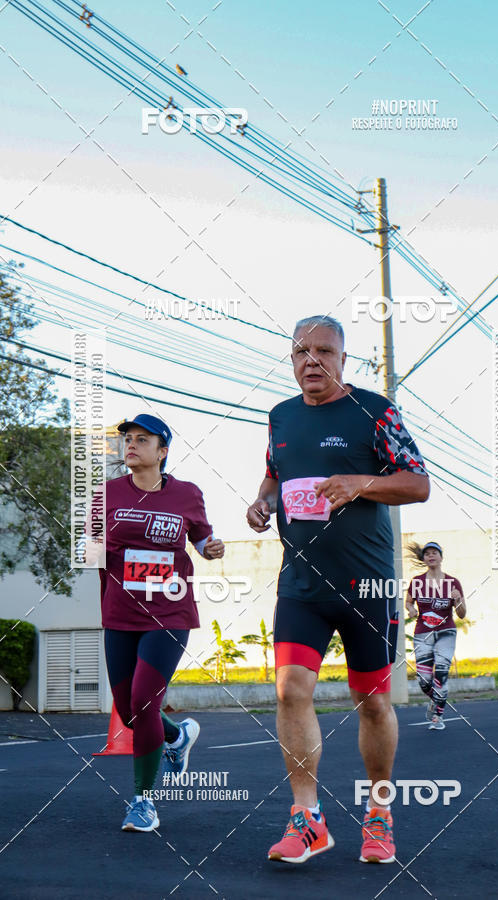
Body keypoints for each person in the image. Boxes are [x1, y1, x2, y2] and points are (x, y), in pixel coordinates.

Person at [246, 316, 429, 865]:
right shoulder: (280, 416)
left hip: (366, 586)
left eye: (324, 350)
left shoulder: (375, 411)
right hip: (301, 584)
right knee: (289, 691)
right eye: (301, 351)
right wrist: (262, 501)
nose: (312, 361)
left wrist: (362, 484)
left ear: (345, 358)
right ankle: (308, 821)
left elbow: (418, 483)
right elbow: (276, 474)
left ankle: (379, 815)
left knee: (371, 702)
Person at [89, 413, 225, 830]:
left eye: (142, 439)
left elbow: (201, 540)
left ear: (162, 451)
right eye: (127, 439)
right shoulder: (105, 494)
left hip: (169, 612)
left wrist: (211, 548)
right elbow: (90, 550)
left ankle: (143, 801)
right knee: (130, 711)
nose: (131, 445)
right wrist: (93, 546)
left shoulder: (186, 494)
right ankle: (176, 736)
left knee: (144, 699)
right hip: (120, 613)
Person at [405, 541, 466, 730]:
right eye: (427, 554)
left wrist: (457, 600)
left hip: (446, 631)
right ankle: (436, 700)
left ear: (441, 557)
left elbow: (462, 614)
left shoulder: (452, 583)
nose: (431, 556)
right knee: (424, 681)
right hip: (423, 633)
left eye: (435, 553)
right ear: (424, 559)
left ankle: (438, 717)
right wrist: (411, 610)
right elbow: (408, 603)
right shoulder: (417, 582)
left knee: (441, 673)